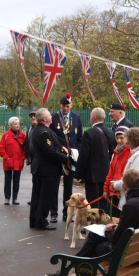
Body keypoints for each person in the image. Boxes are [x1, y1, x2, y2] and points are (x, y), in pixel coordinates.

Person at [46, 169, 139, 276]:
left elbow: (117, 239)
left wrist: (108, 230)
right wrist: (114, 227)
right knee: (95, 237)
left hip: (135, 254)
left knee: (94, 246)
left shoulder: (133, 204)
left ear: (124, 187)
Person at [29, 108, 71, 231]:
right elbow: (49, 152)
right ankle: (41, 221)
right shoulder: (43, 132)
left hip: (42, 168)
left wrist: (61, 148)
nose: (52, 117)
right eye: (50, 116)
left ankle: (35, 220)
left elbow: (52, 146)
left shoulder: (43, 130)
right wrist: (65, 158)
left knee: (37, 195)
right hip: (47, 169)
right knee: (44, 196)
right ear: (45, 119)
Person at [50, 93, 83, 222]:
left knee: (68, 186)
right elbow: (52, 138)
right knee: (54, 185)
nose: (65, 109)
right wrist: (59, 150)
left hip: (71, 157)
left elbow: (79, 138)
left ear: (71, 105)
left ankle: (66, 213)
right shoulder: (54, 117)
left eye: (68, 106)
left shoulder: (76, 118)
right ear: (60, 105)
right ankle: (53, 213)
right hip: (58, 156)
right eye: (63, 106)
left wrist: (76, 152)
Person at [75, 107, 115, 209]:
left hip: (92, 173)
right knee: (103, 199)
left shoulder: (89, 133)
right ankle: (102, 221)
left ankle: (94, 222)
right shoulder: (110, 132)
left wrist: (78, 173)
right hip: (106, 171)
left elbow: (84, 155)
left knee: (93, 201)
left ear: (94, 117)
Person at [103, 126, 131, 217]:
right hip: (113, 190)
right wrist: (105, 188)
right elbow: (110, 173)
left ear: (127, 138)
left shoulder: (130, 152)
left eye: (122, 138)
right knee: (109, 217)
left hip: (123, 190)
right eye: (117, 138)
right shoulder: (115, 152)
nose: (119, 140)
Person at [0, 116, 26, 205]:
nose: (17, 126)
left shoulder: (22, 135)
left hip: (18, 162)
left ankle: (15, 198)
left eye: (18, 124)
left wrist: (23, 157)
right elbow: (1, 149)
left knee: (16, 181)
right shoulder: (6, 135)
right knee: (7, 180)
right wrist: (6, 157)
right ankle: (7, 198)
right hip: (8, 162)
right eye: (15, 124)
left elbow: (25, 148)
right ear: (11, 125)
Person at [25, 110, 38, 206]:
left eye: (34, 116)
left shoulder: (41, 128)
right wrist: (27, 157)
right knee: (34, 179)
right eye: (31, 116)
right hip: (33, 158)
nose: (33, 118)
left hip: (40, 158)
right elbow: (27, 143)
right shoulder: (29, 128)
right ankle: (34, 199)